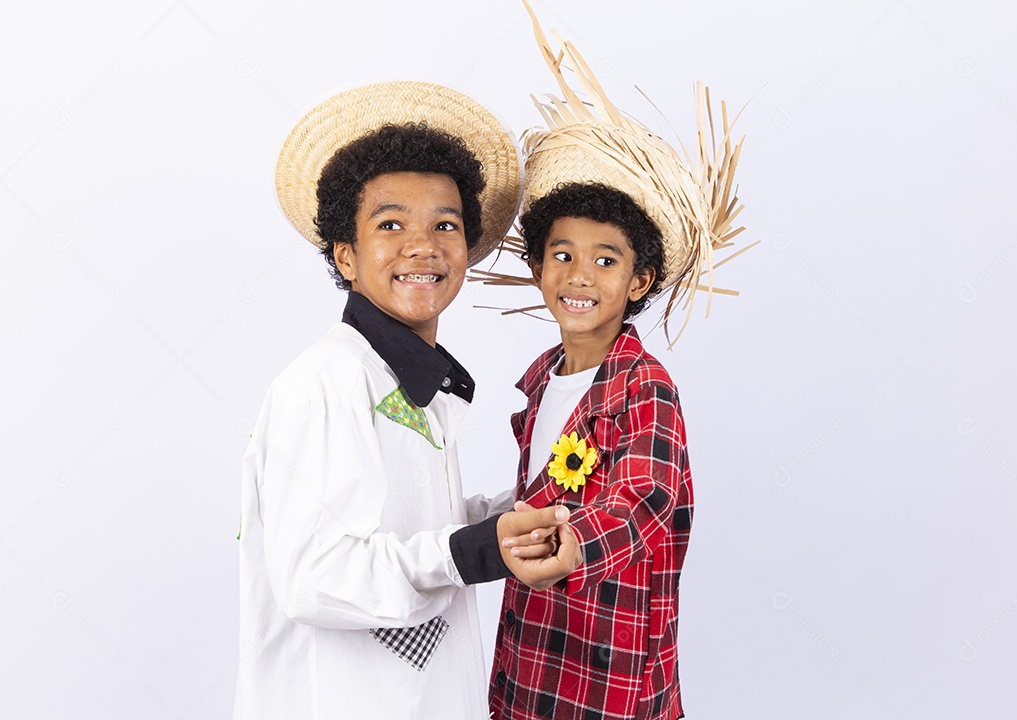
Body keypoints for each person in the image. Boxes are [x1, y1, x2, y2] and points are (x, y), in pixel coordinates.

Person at [234, 81, 578, 720]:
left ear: (466, 251)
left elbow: (416, 526)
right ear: (347, 254)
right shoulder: (325, 384)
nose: (423, 245)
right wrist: (476, 550)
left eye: (444, 225)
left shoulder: (418, 386)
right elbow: (314, 575)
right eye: (390, 224)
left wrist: (528, 505)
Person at [482, 5, 753, 718]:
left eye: (606, 260)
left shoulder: (646, 387)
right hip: (530, 663)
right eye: (562, 255)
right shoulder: (541, 380)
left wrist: (573, 546)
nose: (579, 276)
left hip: (612, 680)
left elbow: (647, 498)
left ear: (638, 282)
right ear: (538, 268)